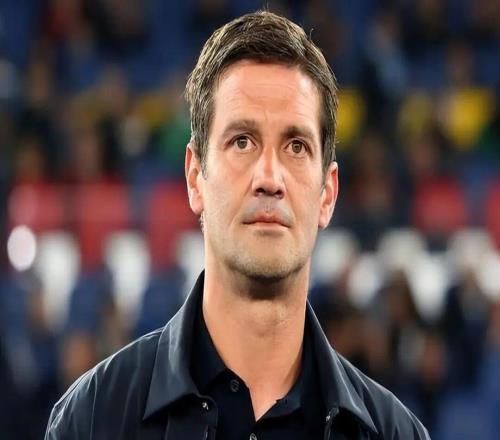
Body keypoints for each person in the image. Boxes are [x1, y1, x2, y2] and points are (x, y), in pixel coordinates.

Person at [45, 11, 430, 440]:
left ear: (328, 193)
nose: (269, 178)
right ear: (195, 178)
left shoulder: (395, 433)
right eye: (242, 142)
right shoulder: (93, 418)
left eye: (296, 146)